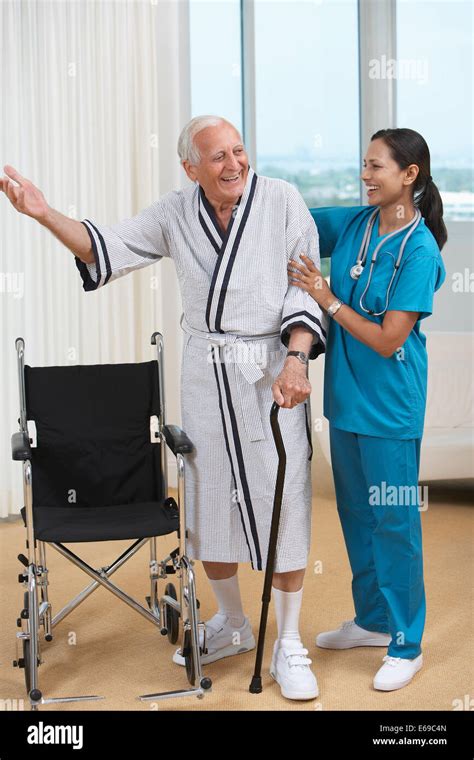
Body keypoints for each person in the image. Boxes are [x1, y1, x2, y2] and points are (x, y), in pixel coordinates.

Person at [1, 116, 327, 700]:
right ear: (190, 168)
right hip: (205, 372)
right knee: (208, 501)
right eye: (218, 157)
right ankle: (232, 622)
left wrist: (298, 358)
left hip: (272, 367)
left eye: (238, 150)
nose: (234, 164)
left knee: (284, 493)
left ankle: (290, 641)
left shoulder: (282, 201)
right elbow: (108, 247)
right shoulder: (175, 212)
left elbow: (304, 286)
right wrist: (44, 213)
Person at [288, 128, 447, 691]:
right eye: (364, 164)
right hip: (347, 405)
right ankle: (374, 620)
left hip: (391, 412)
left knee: (395, 522)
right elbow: (290, 217)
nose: (366, 175)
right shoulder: (356, 224)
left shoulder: (420, 250)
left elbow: (387, 339)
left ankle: (407, 643)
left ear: (410, 174)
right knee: (356, 516)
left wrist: (326, 296)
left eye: (377, 167)